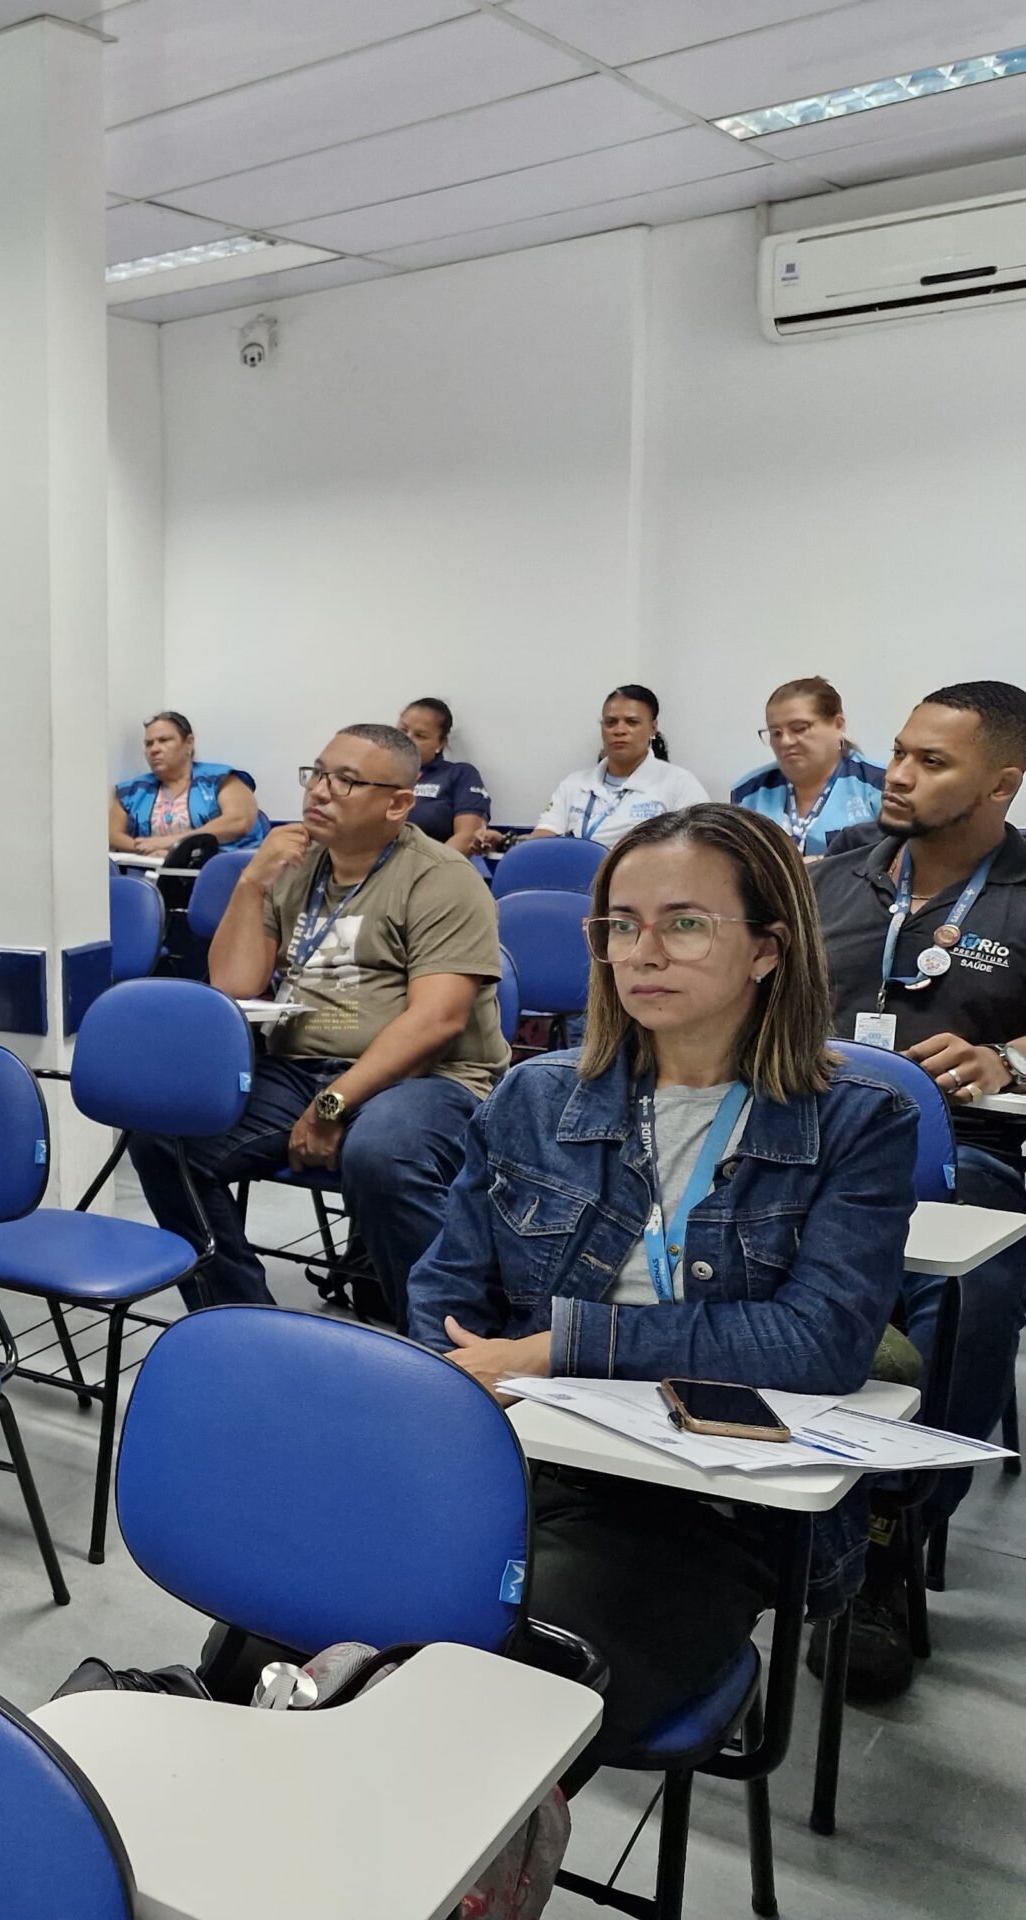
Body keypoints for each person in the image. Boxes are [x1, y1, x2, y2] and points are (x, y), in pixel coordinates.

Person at [410, 804, 915, 1784]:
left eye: (684, 922)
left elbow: (817, 1346)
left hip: (709, 1505)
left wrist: (556, 1347)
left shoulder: (858, 1120)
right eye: (618, 925)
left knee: (489, 1704)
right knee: (281, 1631)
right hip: (521, 1462)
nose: (641, 951)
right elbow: (444, 1307)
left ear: (768, 948)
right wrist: (473, 1396)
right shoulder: (533, 1099)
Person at [129, 724, 507, 1323]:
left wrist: (331, 1107)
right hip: (298, 1067)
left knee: (381, 1154)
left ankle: (444, 1340)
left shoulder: (440, 878)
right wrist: (252, 881)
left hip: (430, 1078)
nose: (321, 792)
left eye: (347, 781)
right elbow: (234, 984)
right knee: (164, 1137)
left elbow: (438, 1020)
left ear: (398, 803)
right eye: (319, 773)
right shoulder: (295, 866)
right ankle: (241, 1320)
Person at [808, 680, 1026, 1696]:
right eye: (898, 752)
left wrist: (1007, 1059)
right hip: (797, 1135)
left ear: (1001, 785)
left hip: (967, 1150)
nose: (898, 775)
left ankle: (889, 1537)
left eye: (931, 763)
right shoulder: (833, 870)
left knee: (978, 1277)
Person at [510, 686, 710, 849]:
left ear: (653, 727)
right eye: (610, 722)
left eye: (632, 722)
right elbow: (544, 835)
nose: (619, 730)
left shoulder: (679, 783)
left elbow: (701, 847)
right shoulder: (574, 784)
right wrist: (504, 842)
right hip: (576, 885)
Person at [730, 675, 885, 857]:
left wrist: (821, 864)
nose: (785, 741)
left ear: (838, 725)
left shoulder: (879, 785)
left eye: (799, 728)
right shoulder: (749, 793)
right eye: (775, 733)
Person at [109, 710, 267, 858]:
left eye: (164, 740)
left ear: (188, 743)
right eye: (149, 744)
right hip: (152, 872)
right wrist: (147, 849)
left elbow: (238, 821)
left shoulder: (221, 779)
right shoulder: (133, 790)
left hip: (221, 872)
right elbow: (111, 834)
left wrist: (174, 844)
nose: (154, 749)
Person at [399, 698, 492, 856]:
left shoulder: (460, 774)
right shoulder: (374, 773)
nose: (407, 739)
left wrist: (430, 869)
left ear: (440, 743)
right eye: (402, 731)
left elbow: (467, 836)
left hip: (432, 866)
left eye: (420, 736)